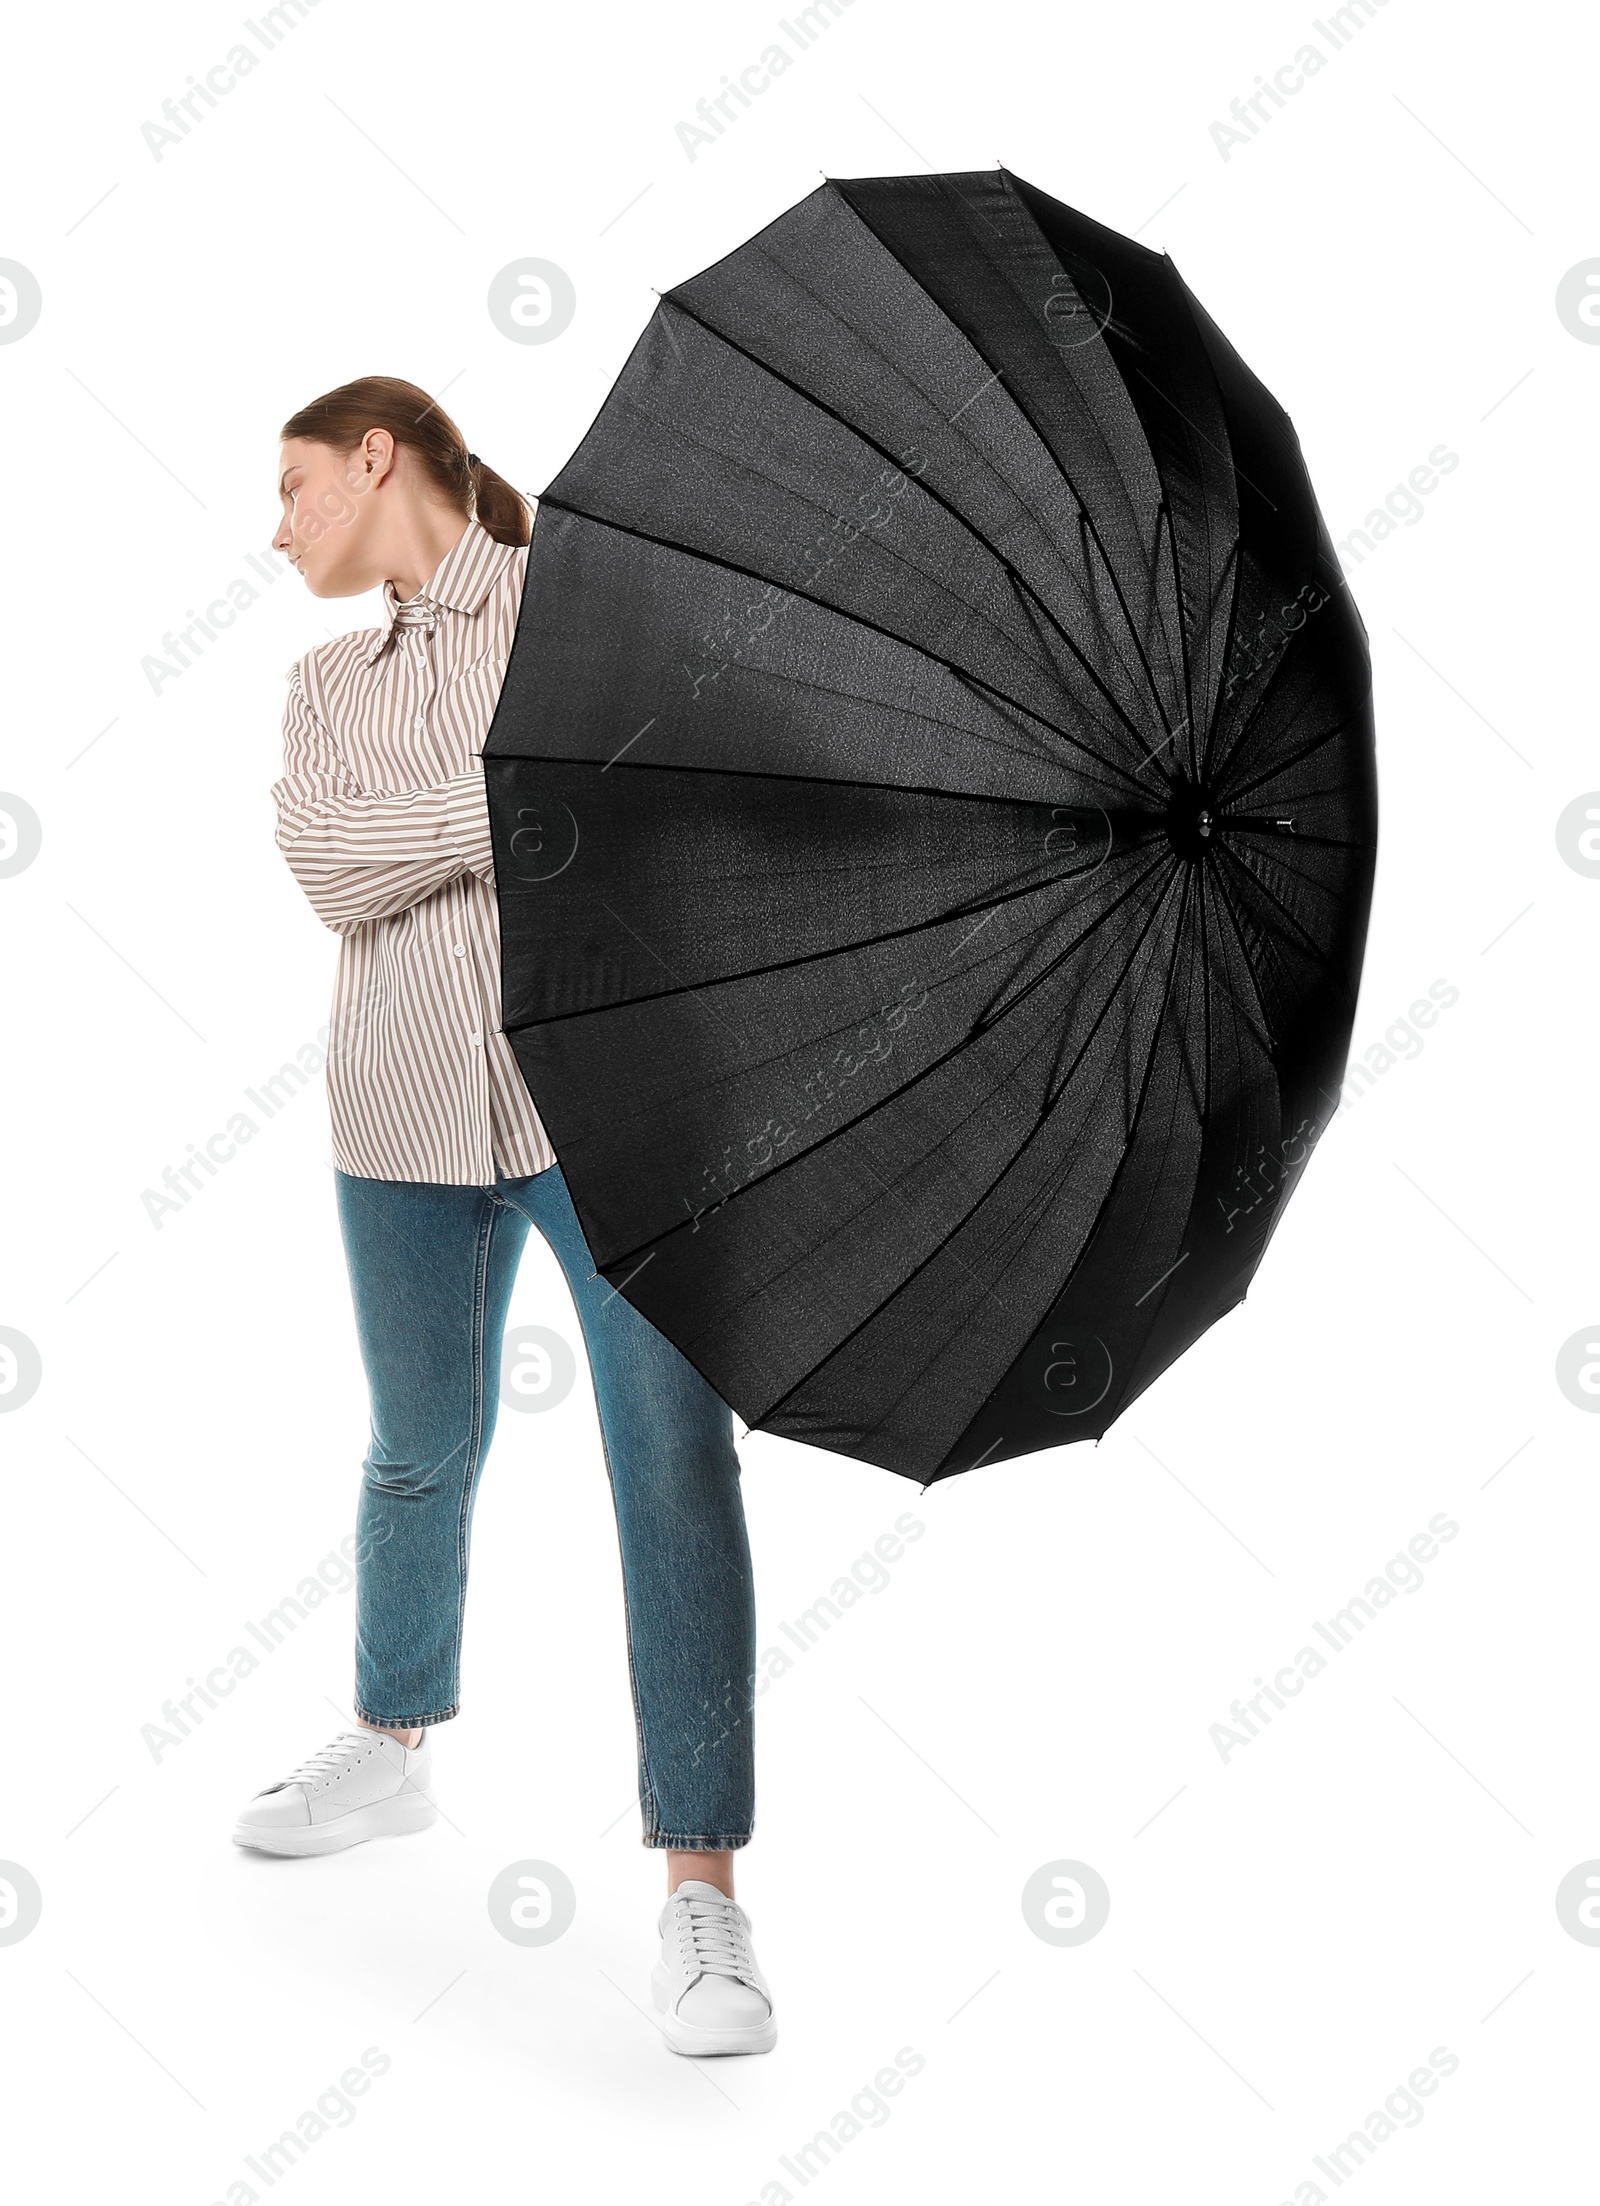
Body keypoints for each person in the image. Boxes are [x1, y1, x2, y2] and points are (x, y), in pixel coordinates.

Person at [234, 376, 775, 2059]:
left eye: (296, 487)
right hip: (395, 1113)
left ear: (378, 458)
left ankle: (703, 1886)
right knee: (417, 1445)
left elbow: (672, 810)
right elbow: (325, 865)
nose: (280, 528)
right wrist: (513, 798)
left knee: (671, 1460)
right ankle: (390, 1740)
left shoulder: (589, 613)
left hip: (611, 1113)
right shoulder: (325, 685)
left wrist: (553, 800)